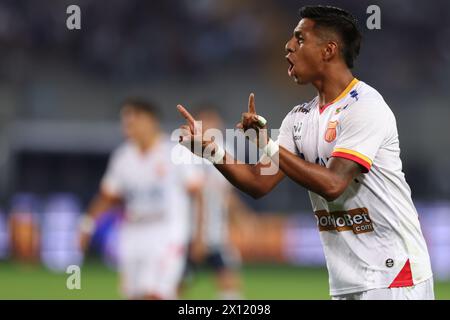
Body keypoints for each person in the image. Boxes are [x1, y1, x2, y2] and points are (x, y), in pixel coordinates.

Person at [176, 5, 434, 300]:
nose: (288, 46)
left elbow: (333, 184)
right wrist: (211, 151)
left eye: (299, 38)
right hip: (346, 277)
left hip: (394, 273)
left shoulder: (365, 105)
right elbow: (258, 182)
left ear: (328, 50)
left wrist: (266, 144)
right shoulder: (298, 118)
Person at [80, 98, 201, 300]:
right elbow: (108, 196)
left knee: (156, 294)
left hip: (167, 232)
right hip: (133, 232)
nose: (128, 127)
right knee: (134, 295)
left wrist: (198, 234)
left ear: (150, 121)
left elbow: (197, 192)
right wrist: (87, 225)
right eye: (126, 122)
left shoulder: (175, 152)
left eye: (132, 121)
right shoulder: (123, 156)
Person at [181, 107, 243, 300]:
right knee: (177, 282)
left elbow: (226, 193)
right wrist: (198, 235)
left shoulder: (225, 151)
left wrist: (241, 218)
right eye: (206, 121)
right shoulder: (184, 152)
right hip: (186, 232)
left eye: (214, 122)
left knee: (228, 279)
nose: (211, 126)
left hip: (216, 232)